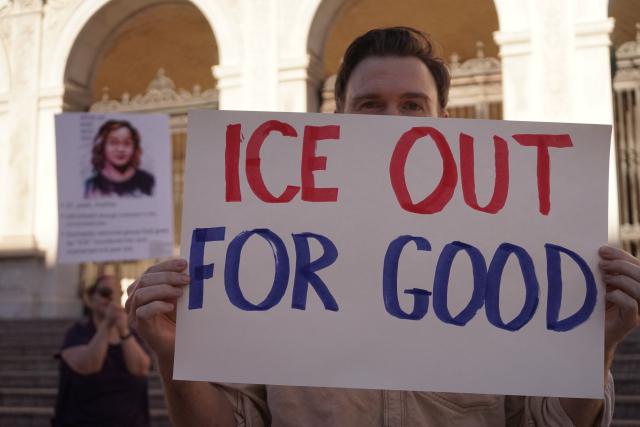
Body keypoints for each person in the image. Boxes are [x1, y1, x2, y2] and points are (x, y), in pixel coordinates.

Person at [126, 27, 639, 426]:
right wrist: (174, 359)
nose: (392, 121)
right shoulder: (268, 256)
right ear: (339, 117)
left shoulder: (508, 249)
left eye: (412, 105)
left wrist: (598, 346)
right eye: (370, 105)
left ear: (443, 119)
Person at [52, 275, 152, 427]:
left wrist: (123, 330)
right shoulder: (77, 333)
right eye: (105, 293)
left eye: (117, 293)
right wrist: (107, 324)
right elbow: (90, 365)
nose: (111, 299)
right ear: (91, 299)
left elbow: (141, 368)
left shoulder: (131, 335)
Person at [85, 120, 155, 198]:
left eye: (127, 143)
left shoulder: (148, 181)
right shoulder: (90, 186)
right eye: (113, 142)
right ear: (102, 146)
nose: (120, 149)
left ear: (135, 148)